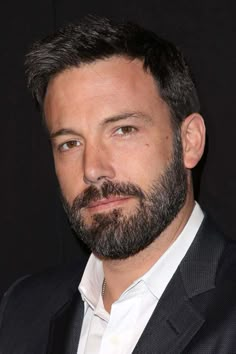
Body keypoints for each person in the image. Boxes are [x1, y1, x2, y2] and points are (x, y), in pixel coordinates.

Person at [0, 15, 236, 354]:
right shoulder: (22, 310)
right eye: (69, 143)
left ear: (190, 142)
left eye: (123, 130)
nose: (93, 169)